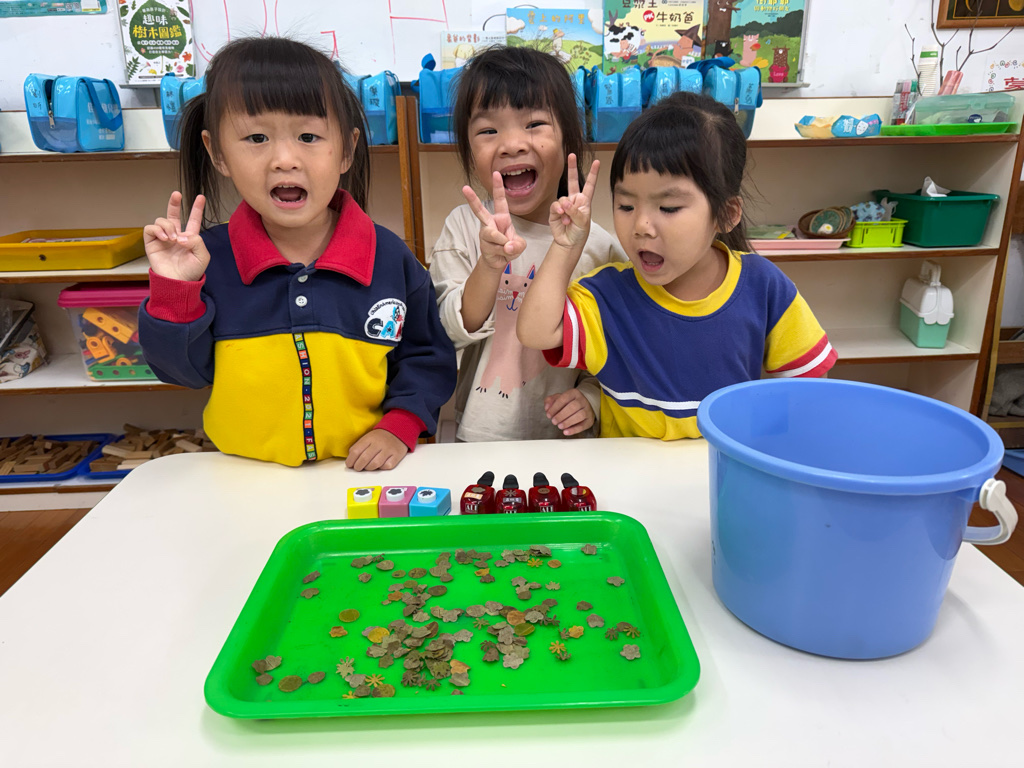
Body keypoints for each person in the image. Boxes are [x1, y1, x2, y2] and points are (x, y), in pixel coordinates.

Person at [138, 37, 456, 469]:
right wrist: (176, 292)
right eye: (256, 137)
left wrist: (399, 424)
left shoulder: (389, 257)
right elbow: (182, 374)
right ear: (217, 153)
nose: (284, 159)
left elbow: (426, 356)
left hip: (359, 473)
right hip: (242, 473)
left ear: (346, 149)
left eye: (308, 136)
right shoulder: (205, 261)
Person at [517, 91, 837, 440]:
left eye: (668, 208)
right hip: (629, 469)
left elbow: (807, 387)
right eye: (626, 206)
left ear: (726, 214)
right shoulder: (608, 295)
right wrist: (565, 247)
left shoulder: (764, 287)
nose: (641, 225)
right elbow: (535, 332)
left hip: (720, 466)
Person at [429, 45, 625, 442]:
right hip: (480, 439)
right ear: (468, 148)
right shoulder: (464, 226)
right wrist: (489, 265)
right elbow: (447, 331)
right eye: (488, 131)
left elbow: (617, 351)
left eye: (534, 124)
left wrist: (591, 397)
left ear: (569, 137)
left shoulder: (598, 247)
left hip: (568, 445)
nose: (512, 144)